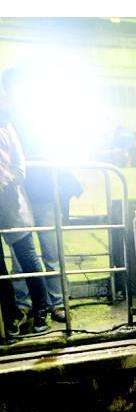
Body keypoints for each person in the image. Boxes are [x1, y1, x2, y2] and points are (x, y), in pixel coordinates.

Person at [2, 67, 80, 323]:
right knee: (20, 255)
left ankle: (57, 303)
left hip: (45, 191)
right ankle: (25, 304)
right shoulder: (7, 116)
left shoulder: (43, 113)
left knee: (50, 251)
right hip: (16, 195)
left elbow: (59, 147)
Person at [0, 109, 51, 335]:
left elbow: (20, 169)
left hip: (11, 204)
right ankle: (9, 314)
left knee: (28, 258)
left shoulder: (6, 127)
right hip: (10, 203)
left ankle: (41, 309)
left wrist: (4, 181)